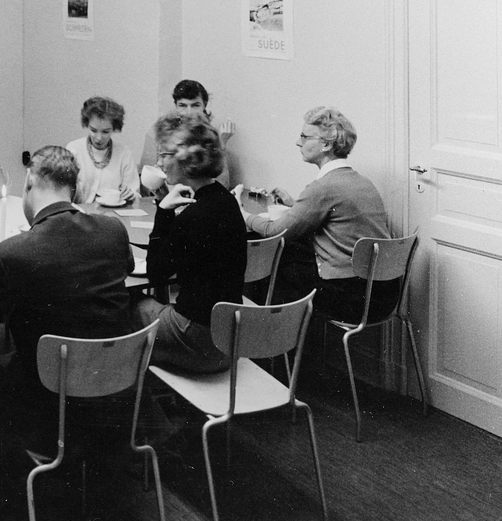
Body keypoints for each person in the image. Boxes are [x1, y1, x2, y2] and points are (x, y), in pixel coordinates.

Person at [0, 145, 135, 401]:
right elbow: (127, 268)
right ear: (74, 188)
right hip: (116, 385)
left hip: (46, 393)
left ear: (29, 181)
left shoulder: (10, 253)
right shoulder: (113, 230)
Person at [233, 106, 391, 320]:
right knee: (293, 251)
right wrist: (295, 206)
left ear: (326, 144)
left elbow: (274, 231)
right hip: (383, 293)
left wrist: (243, 215)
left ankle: (264, 333)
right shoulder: (362, 181)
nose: (298, 142)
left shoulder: (324, 187)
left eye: (305, 137)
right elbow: (335, 220)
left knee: (273, 259)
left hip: (352, 298)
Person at [135, 114, 246, 373]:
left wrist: (163, 211)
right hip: (229, 340)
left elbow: (155, 273)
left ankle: (135, 389)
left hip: (198, 342)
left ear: (186, 160)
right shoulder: (226, 200)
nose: (159, 162)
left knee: (127, 304)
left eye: (165, 155)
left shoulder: (193, 216)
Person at [139, 79, 234, 194]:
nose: (189, 112)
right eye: (182, 105)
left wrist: (221, 144)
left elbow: (223, 186)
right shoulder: (157, 134)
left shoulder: (208, 136)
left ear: (204, 105)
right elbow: (146, 185)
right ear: (176, 106)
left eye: (195, 105)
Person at [65, 95, 139, 204]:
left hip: (112, 213)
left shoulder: (124, 154)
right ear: (87, 124)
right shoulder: (73, 149)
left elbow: (135, 192)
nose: (99, 138)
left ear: (114, 128)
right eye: (93, 130)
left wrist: (130, 195)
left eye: (105, 132)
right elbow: (63, 191)